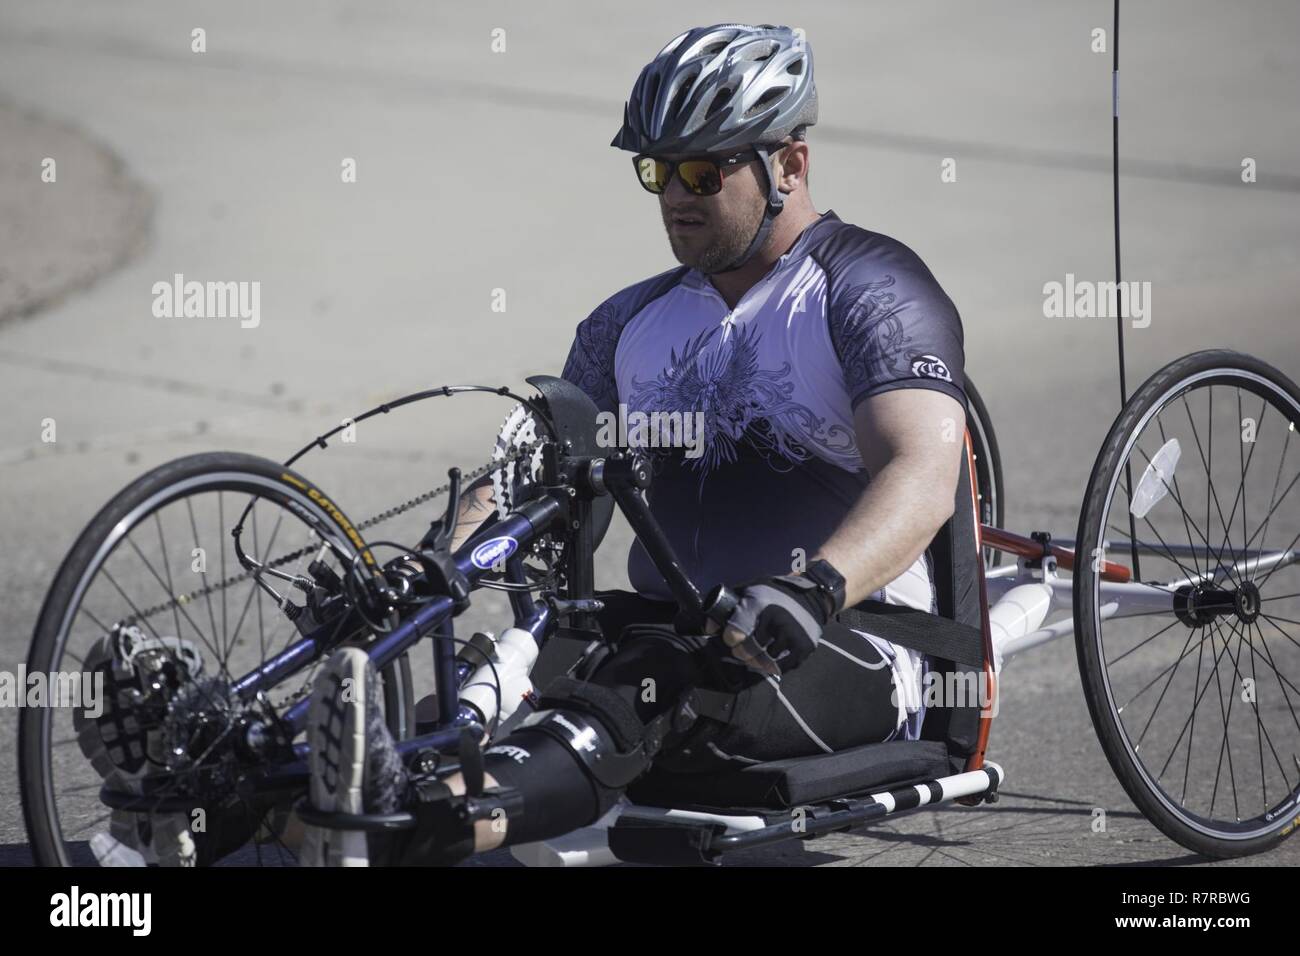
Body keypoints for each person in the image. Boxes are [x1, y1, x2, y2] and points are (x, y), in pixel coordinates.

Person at [303, 21, 967, 867]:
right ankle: (267, 791)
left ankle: (421, 824)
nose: (675, 196)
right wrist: (428, 572)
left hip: (849, 640)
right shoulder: (627, 324)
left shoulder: (872, 286)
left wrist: (816, 588)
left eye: (702, 170)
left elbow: (923, 472)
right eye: (657, 171)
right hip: (681, 623)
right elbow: (529, 478)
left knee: (649, 680)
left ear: (789, 166)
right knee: (535, 648)